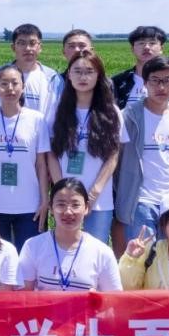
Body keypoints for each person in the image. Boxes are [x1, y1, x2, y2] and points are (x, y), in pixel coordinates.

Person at [115, 56, 169, 244]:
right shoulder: (129, 116)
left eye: (167, 81)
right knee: (143, 255)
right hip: (140, 200)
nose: (161, 87)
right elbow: (117, 157)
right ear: (145, 83)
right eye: (155, 80)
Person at [48, 50, 124, 244]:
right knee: (65, 246)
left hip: (99, 199)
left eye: (89, 71)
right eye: (78, 71)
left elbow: (113, 155)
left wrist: (94, 191)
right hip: (65, 198)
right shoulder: (57, 110)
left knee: (95, 249)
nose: (83, 77)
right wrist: (62, 188)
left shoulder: (111, 112)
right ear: (69, 75)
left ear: (99, 76)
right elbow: (51, 154)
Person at [0, 64, 49, 248]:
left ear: (23, 86)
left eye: (15, 83)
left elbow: (41, 165)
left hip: (30, 206)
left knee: (29, 258)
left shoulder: (37, 120)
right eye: (4, 83)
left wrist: (44, 200)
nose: (10, 88)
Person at [18, 178, 122, 292]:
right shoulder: (33, 246)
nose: (68, 212)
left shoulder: (102, 253)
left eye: (75, 205)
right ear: (51, 208)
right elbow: (23, 296)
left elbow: (114, 299)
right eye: (61, 204)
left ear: (86, 207)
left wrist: (97, 299)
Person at [0, 23, 62, 120]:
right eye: (22, 43)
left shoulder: (52, 79)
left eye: (32, 43)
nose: (27, 48)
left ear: (40, 47)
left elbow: (60, 114)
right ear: (13, 47)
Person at [111, 25, 169, 110]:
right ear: (132, 49)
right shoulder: (118, 82)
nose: (146, 47)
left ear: (161, 48)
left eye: (152, 43)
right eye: (141, 43)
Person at [51, 29, 95, 101]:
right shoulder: (55, 84)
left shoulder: (104, 83)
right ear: (64, 52)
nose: (77, 50)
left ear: (91, 51)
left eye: (82, 45)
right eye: (71, 46)